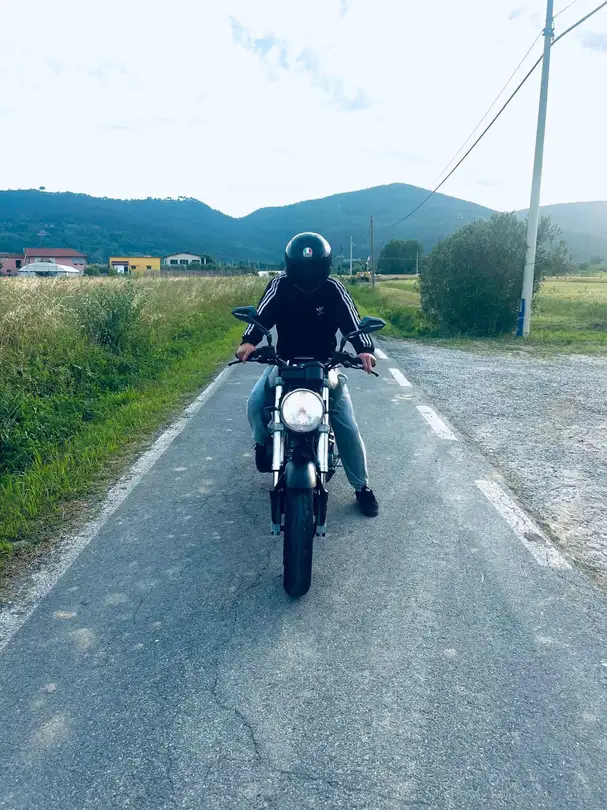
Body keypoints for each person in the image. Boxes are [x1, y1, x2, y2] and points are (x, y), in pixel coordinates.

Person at [237, 232, 379, 517]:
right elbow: (262, 315)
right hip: (284, 363)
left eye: (313, 268)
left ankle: (362, 488)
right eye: (301, 268)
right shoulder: (279, 285)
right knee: (255, 404)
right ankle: (263, 444)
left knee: (347, 427)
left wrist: (364, 349)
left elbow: (352, 323)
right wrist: (249, 341)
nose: (307, 274)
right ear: (290, 265)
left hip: (326, 366)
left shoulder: (333, 289)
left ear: (324, 266)